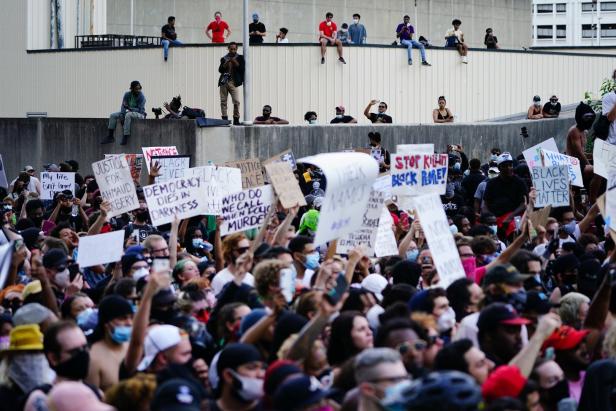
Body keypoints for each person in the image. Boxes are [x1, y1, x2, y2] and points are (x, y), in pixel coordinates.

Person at [102, 80, 146, 145]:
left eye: (139, 88)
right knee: (113, 115)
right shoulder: (127, 94)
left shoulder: (141, 97)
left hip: (140, 114)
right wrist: (122, 114)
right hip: (130, 111)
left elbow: (140, 110)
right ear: (132, 89)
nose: (138, 90)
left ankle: (125, 136)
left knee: (128, 115)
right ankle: (110, 136)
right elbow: (123, 105)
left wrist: (129, 108)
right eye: (136, 89)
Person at [566, 102, 596, 180]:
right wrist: (589, 165)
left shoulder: (584, 131)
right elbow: (578, 153)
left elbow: (582, 151)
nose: (589, 119)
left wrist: (593, 156)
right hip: (573, 165)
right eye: (586, 117)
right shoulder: (574, 131)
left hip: (580, 163)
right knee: (596, 171)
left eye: (590, 117)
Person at [218, 42, 245, 125]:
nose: (233, 50)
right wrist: (226, 63)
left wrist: (234, 61)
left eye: (234, 49)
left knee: (236, 101)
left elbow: (242, 69)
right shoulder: (224, 58)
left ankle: (236, 119)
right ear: (228, 48)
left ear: (236, 49)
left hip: (234, 82)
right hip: (224, 81)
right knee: (223, 101)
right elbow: (220, 70)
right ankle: (224, 119)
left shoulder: (240, 57)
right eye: (231, 49)